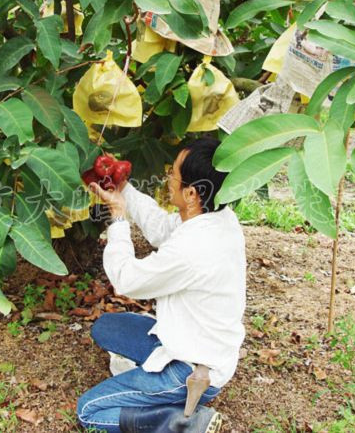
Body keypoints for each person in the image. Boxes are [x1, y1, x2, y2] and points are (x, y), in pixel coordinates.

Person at [77, 138, 246, 433]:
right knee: (107, 328)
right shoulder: (217, 217)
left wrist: (117, 218)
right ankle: (165, 398)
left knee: (89, 410)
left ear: (191, 193)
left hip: (191, 371)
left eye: (173, 175)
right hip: (194, 346)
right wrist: (122, 188)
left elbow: (126, 280)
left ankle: (178, 421)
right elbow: (160, 227)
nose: (168, 178)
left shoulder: (192, 249)